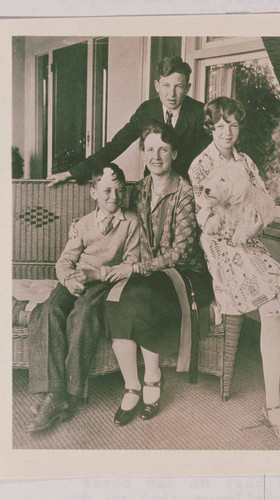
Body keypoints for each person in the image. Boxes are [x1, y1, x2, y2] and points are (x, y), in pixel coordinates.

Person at [189, 96, 280, 447]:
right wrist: (239, 227)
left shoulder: (246, 161)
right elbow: (205, 218)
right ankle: (273, 406)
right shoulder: (201, 166)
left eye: (233, 124)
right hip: (223, 248)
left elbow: (262, 206)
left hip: (249, 240)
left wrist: (255, 227)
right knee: (271, 309)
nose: (227, 131)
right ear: (210, 128)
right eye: (219, 125)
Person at [101, 121, 213, 427]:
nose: (156, 156)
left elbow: (181, 252)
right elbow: (121, 219)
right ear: (143, 153)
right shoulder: (142, 188)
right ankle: (132, 387)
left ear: (174, 153)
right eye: (150, 149)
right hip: (149, 272)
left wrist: (135, 267)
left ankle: (152, 378)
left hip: (184, 275)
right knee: (113, 300)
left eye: (163, 149)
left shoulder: (185, 192)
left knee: (141, 296)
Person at [26, 163, 140, 433]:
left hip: (104, 282)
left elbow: (132, 261)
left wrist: (97, 273)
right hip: (76, 279)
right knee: (47, 310)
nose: (114, 196)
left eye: (119, 191)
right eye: (107, 190)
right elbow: (65, 260)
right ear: (93, 193)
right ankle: (54, 392)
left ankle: (69, 393)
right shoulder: (83, 224)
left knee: (83, 315)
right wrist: (68, 279)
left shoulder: (131, 222)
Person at [47, 56, 210, 186]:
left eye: (178, 86)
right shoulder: (147, 110)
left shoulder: (199, 113)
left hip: (189, 187)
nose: (171, 94)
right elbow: (115, 146)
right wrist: (72, 173)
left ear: (187, 88)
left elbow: (208, 159)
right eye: (166, 85)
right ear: (156, 85)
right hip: (153, 185)